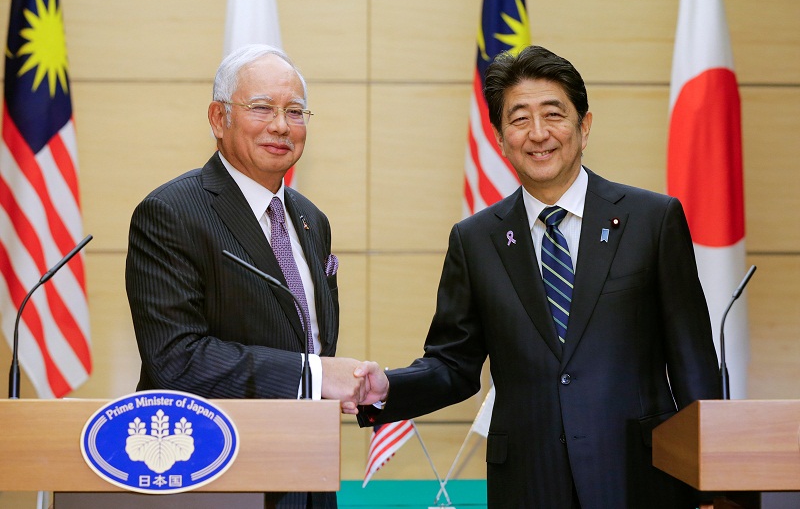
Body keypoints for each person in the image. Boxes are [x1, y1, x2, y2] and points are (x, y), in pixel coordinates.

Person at [351, 45, 721, 508]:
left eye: (554, 114)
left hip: (638, 477)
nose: (538, 133)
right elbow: (454, 363)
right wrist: (387, 388)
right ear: (501, 138)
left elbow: (692, 362)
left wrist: (712, 481)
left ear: (584, 127)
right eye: (519, 118)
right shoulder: (476, 239)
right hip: (528, 482)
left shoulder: (652, 219)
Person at [126, 44, 363, 508]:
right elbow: (175, 360)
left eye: (295, 111)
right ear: (218, 118)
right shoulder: (171, 213)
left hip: (308, 473)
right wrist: (312, 376)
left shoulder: (312, 220)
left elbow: (308, 338)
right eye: (261, 108)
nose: (281, 125)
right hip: (216, 476)